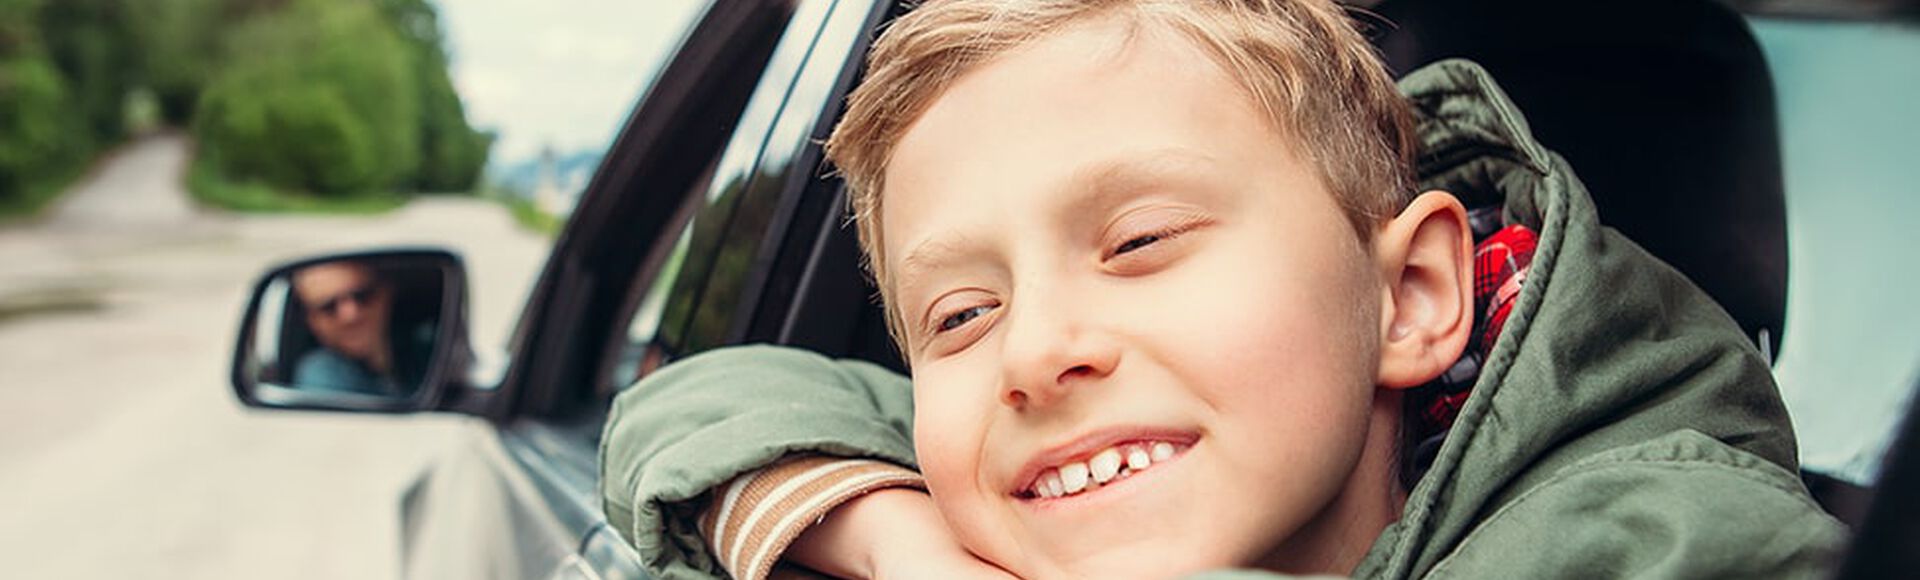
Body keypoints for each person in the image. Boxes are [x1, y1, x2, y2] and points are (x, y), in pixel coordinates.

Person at [598, 0, 1845, 578]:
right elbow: (694, 400)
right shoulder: (1001, 496)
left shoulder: (1680, 536)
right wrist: (903, 546)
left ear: (1411, 297)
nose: (1034, 352)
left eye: (1138, 242)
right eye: (960, 316)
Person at [290, 260, 403, 395]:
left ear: (386, 293)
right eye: (329, 307)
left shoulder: (424, 347)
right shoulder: (321, 372)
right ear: (313, 322)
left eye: (361, 296)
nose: (350, 315)